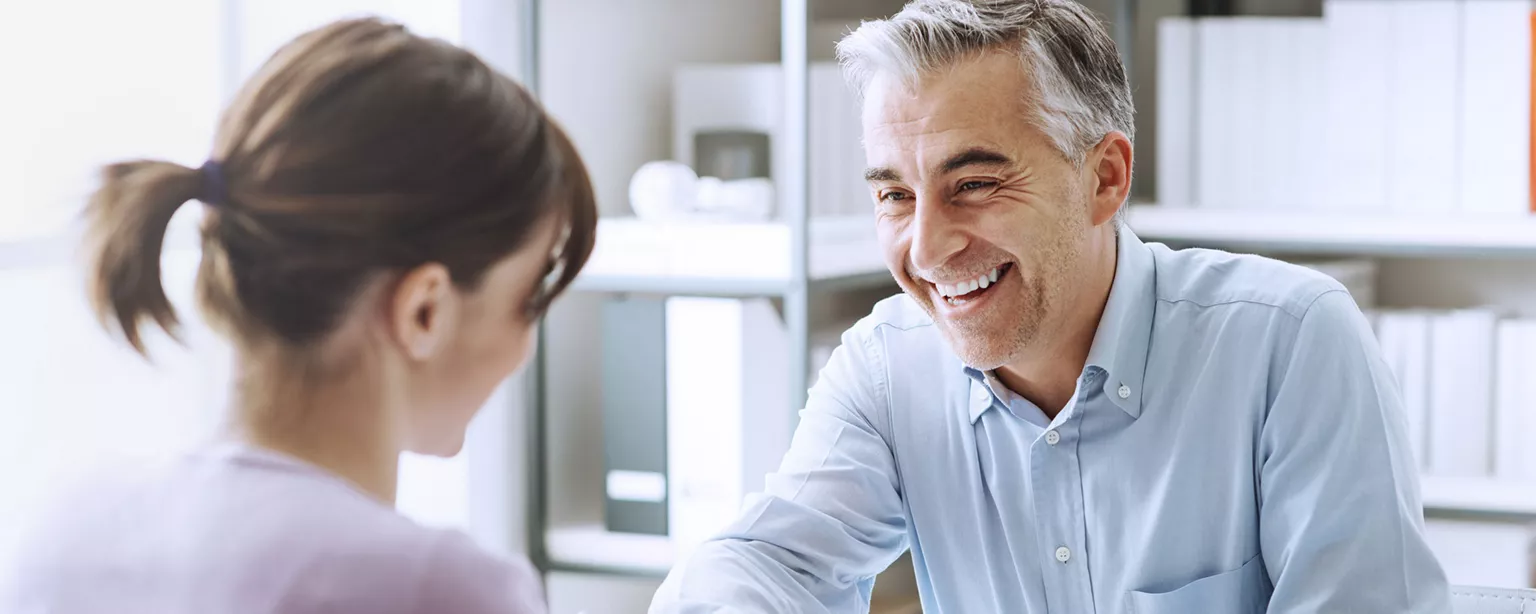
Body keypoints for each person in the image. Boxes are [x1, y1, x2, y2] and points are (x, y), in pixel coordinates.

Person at [651, 1, 1450, 612]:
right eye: (895, 194)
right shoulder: (887, 369)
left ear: (1104, 178)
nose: (926, 251)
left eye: (974, 185)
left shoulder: (1291, 344)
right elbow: (759, 563)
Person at [1, 17, 594, 614]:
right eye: (529, 299)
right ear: (423, 311)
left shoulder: (61, 532)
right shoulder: (440, 587)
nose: (526, 345)